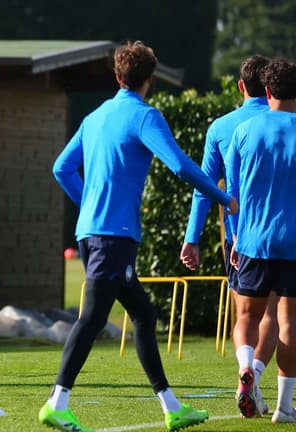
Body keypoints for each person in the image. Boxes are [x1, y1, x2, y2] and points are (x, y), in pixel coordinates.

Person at [44, 41, 238, 432]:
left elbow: (62, 168)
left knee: (144, 316)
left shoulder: (96, 116)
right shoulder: (145, 116)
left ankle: (171, 407)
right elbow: (181, 167)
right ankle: (56, 401)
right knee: (94, 317)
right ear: (150, 80)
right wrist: (223, 197)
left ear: (117, 77)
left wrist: (89, 207)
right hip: (113, 237)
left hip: (94, 233)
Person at [179, 55, 277, 416]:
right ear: (270, 87)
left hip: (236, 238)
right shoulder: (285, 123)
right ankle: (258, 378)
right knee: (278, 315)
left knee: (245, 316)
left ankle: (246, 373)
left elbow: (203, 187)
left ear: (240, 86)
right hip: (282, 235)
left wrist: (192, 237)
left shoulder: (221, 127)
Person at [225, 58, 296, 424]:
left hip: (252, 239)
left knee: (247, 317)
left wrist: (236, 236)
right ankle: (284, 407)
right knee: (288, 321)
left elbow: (233, 194)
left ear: (266, 92)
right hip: (294, 243)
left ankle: (245, 368)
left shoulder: (244, 130)